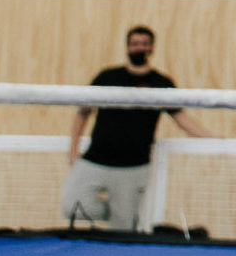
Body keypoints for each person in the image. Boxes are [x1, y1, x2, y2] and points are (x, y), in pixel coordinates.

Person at [60, 25, 215, 232]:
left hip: (134, 167)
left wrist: (213, 139)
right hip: (95, 160)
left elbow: (181, 118)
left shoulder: (161, 83)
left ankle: (124, 226)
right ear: (127, 47)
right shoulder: (107, 77)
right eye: (134, 44)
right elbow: (82, 113)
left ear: (151, 48)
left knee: (122, 228)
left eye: (144, 44)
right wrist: (72, 149)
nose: (139, 48)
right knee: (71, 205)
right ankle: (122, 216)